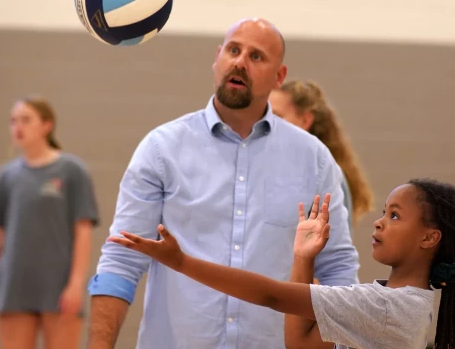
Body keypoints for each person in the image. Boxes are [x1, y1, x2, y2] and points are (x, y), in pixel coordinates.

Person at [87, 18, 360, 349]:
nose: (240, 62)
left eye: (256, 56)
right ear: (217, 58)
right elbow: (121, 260)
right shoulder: (162, 150)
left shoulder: (313, 160)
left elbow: (339, 272)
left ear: (279, 77)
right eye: (233, 50)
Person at [110, 177, 455, 349]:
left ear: (429, 238)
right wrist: (303, 259)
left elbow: (272, 296)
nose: (379, 222)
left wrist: (181, 261)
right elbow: (301, 342)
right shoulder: (390, 303)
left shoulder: (390, 308)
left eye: (395, 216)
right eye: (383, 213)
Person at [0, 96, 100, 349]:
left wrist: (76, 285)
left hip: (59, 286)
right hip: (14, 285)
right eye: (13, 121)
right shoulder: (6, 176)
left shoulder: (72, 171)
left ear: (46, 125)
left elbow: (82, 232)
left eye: (25, 120)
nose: (17, 127)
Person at [269, 79, 374, 231]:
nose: (267, 123)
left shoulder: (325, 175)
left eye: (277, 117)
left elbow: (335, 249)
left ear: (305, 120)